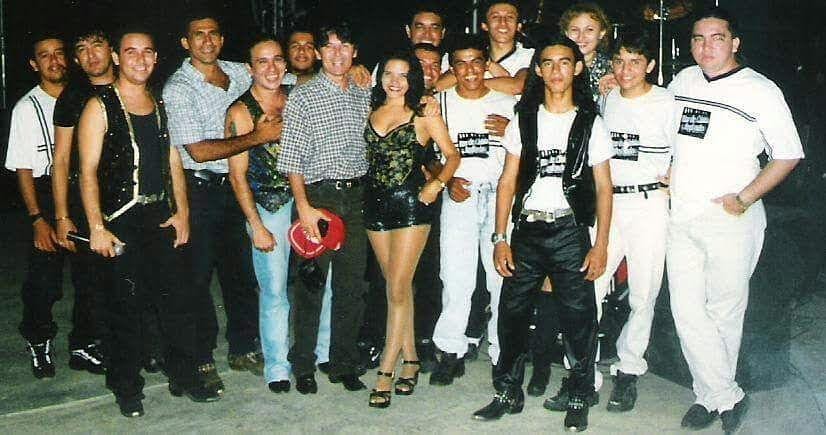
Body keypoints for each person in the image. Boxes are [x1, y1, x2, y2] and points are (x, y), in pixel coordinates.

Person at [666, 8, 803, 433]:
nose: (706, 47)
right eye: (698, 38)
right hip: (681, 214)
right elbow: (665, 130)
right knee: (686, 310)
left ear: (735, 43)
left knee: (724, 310)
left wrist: (744, 198)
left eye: (717, 38)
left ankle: (709, 398)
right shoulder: (683, 82)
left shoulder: (760, 90)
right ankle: (726, 394)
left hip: (730, 217)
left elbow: (788, 154)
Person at [472, 34, 613, 433]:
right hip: (528, 231)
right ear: (538, 69)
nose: (556, 70)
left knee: (579, 318)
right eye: (548, 63)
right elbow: (507, 181)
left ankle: (580, 394)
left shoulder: (591, 123)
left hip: (570, 230)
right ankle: (507, 392)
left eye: (564, 62)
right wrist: (500, 238)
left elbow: (604, 187)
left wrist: (601, 244)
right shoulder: (524, 119)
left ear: (577, 68)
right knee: (511, 314)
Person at [78, 28, 219, 417]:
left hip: (159, 217)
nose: (139, 59)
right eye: (131, 52)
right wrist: (96, 227)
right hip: (120, 220)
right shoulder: (99, 106)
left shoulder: (158, 102)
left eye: (147, 52)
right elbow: (86, 171)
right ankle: (127, 388)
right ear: (117, 57)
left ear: (155, 59)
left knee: (178, 302)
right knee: (125, 309)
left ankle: (184, 376)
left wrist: (182, 212)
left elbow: (172, 158)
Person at [162, 11, 273, 393]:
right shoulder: (178, 88)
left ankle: (243, 348)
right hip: (200, 189)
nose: (207, 40)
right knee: (197, 278)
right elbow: (198, 150)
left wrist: (356, 72)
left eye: (213, 33)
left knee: (241, 273)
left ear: (222, 40)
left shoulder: (239, 72)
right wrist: (256, 138)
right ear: (185, 43)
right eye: (198, 34)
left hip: (238, 187)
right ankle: (201, 357)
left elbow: (281, 76)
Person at [277, 21, 371, 394]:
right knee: (311, 286)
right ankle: (303, 365)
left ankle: (343, 363)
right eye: (329, 47)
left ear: (355, 52)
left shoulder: (363, 92)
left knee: (352, 286)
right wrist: (303, 208)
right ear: (318, 53)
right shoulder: (304, 96)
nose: (337, 54)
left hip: (356, 198)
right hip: (319, 198)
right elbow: (291, 159)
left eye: (344, 46)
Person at [364, 51, 459, 408]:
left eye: (403, 75)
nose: (395, 81)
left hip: (410, 207)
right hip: (374, 206)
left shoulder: (423, 114)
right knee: (397, 288)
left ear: (412, 80)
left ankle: (386, 370)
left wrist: (436, 185)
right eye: (389, 73)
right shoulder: (370, 111)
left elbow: (452, 155)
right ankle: (412, 361)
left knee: (398, 288)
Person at [594, 29, 675, 413]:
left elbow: (688, 146)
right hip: (609, 202)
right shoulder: (608, 96)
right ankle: (584, 372)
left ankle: (628, 369)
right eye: (619, 61)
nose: (625, 70)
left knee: (644, 293)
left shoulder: (667, 101)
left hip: (649, 203)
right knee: (589, 285)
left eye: (635, 62)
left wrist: (677, 173)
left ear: (650, 65)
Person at [429, 34, 516, 386]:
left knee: (500, 278)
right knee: (455, 276)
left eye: (476, 62)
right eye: (461, 64)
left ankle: (501, 354)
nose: (469, 71)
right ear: (452, 67)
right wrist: (445, 180)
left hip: (498, 197)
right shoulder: (440, 102)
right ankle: (450, 350)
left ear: (486, 65)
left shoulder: (507, 101)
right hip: (460, 196)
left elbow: (527, 151)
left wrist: (512, 132)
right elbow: (426, 154)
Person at [5, 33, 76, 379]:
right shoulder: (26, 108)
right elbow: (23, 169)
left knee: (92, 276)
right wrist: (37, 219)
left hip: (82, 191)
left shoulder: (82, 97)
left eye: (59, 53)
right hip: (45, 195)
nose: (54, 61)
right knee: (44, 281)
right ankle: (38, 340)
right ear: (34, 64)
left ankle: (86, 342)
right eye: (45, 56)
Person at [50, 28, 116, 376]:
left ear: (111, 50)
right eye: (82, 49)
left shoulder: (132, 87)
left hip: (127, 199)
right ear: (76, 59)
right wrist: (62, 216)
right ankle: (84, 345)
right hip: (85, 201)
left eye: (97, 45)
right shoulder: (72, 97)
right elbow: (61, 160)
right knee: (90, 279)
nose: (91, 55)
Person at [435, 0, 534, 96]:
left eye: (510, 17)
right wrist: (489, 65)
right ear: (484, 25)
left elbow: (517, 86)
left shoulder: (530, 55)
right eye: (495, 17)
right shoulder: (468, 53)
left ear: (519, 26)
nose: (503, 22)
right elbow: (439, 86)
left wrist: (470, 82)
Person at [560, 2, 614, 100]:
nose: (581, 37)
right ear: (566, 33)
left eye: (589, 30)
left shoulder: (613, 70)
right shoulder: (556, 68)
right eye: (575, 30)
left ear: (601, 33)